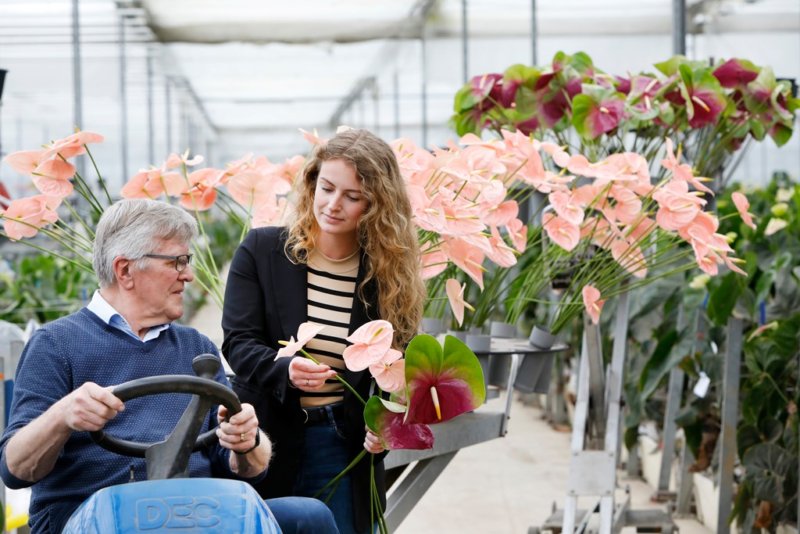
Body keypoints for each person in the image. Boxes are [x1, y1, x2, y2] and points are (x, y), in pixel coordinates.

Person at [0, 199, 339, 534]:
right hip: (91, 513)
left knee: (308, 516)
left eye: (187, 261)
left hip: (193, 513)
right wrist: (63, 415)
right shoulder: (56, 344)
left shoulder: (196, 348)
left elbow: (246, 469)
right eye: (177, 262)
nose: (188, 275)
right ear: (125, 270)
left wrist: (247, 441)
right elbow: (15, 469)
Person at [222, 128, 427, 534]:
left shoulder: (385, 275)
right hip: (265, 437)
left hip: (341, 441)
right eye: (327, 188)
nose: (333, 205)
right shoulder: (263, 252)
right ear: (313, 182)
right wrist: (284, 370)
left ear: (376, 205)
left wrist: (385, 424)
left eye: (352, 197)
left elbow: (397, 366)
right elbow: (238, 342)